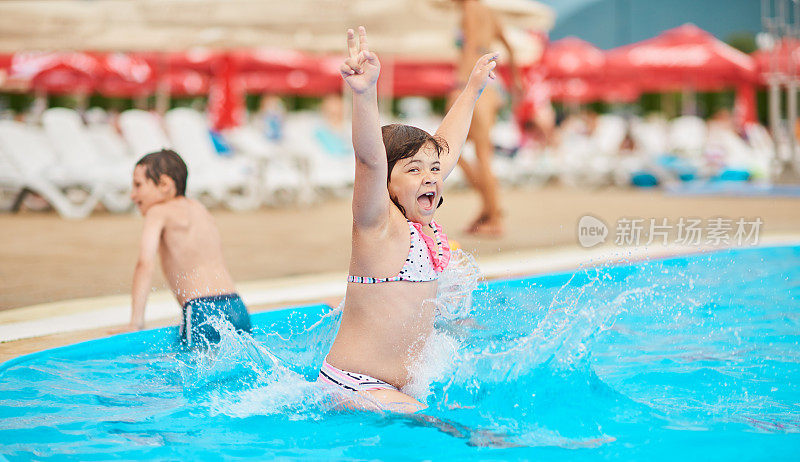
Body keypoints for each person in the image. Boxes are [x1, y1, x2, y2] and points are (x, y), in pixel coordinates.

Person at [317, 26, 497, 412]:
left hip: (396, 387)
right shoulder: (377, 225)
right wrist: (365, 94)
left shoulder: (420, 220)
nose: (431, 176)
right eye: (414, 170)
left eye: (434, 169)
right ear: (386, 183)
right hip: (355, 384)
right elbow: (369, 159)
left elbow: (447, 144)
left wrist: (472, 91)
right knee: (456, 435)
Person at [112, 149, 251, 347]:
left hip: (202, 309)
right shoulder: (199, 209)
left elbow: (145, 263)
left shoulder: (158, 212)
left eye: (138, 185)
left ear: (165, 185)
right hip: (236, 306)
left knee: (192, 373)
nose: (133, 195)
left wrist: (135, 322)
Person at [451, 0, 522, 237]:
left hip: (473, 82)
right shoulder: (489, 12)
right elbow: (510, 49)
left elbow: (471, 46)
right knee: (464, 152)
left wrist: (462, 86)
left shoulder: (470, 9)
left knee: (454, 148)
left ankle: (493, 216)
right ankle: (488, 209)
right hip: (492, 84)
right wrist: (516, 83)